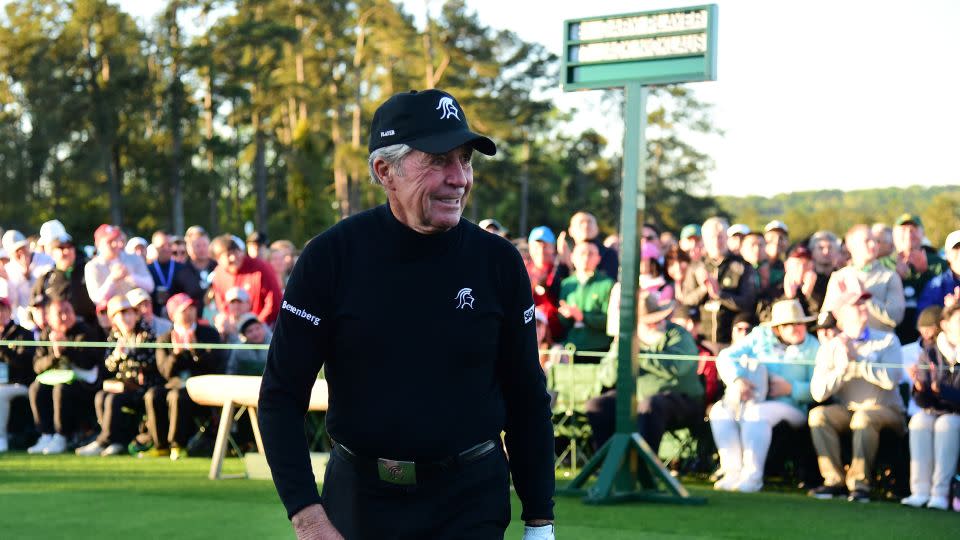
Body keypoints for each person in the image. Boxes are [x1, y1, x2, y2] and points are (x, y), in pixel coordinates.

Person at [258, 89, 555, 540]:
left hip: (469, 503)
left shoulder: (498, 262)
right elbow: (281, 396)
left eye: (466, 160)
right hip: (358, 503)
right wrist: (308, 516)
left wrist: (540, 520)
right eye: (437, 160)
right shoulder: (330, 259)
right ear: (384, 171)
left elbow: (527, 396)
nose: (459, 178)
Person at [807, 285, 906, 503]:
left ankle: (860, 484)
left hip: (888, 411)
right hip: (849, 410)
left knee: (864, 418)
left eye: (863, 303)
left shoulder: (888, 340)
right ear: (841, 316)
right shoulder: (831, 347)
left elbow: (892, 379)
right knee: (819, 416)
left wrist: (858, 361)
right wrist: (841, 370)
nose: (863, 307)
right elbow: (818, 393)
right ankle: (834, 481)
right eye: (856, 304)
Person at [710, 299, 819, 493]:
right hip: (752, 399)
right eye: (788, 325)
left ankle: (752, 478)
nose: (796, 328)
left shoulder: (813, 346)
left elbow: (819, 389)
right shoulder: (760, 336)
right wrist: (737, 380)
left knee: (756, 414)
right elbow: (726, 356)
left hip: (793, 406)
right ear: (777, 328)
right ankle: (732, 472)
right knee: (720, 411)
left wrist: (791, 388)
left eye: (800, 323)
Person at [586, 292, 703, 455]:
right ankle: (609, 462)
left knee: (650, 405)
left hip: (682, 400)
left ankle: (645, 465)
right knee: (598, 405)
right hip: (637, 398)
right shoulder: (627, 338)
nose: (656, 324)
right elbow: (607, 377)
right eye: (649, 322)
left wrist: (638, 354)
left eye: (659, 318)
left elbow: (676, 367)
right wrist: (621, 349)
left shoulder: (678, 334)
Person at [75, 295, 161, 457]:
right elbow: (108, 365)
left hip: (143, 387)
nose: (126, 318)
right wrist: (117, 355)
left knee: (113, 399)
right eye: (121, 314)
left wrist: (129, 354)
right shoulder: (115, 337)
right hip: (122, 385)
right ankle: (114, 440)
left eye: (129, 313)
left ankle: (105, 441)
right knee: (101, 396)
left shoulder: (146, 333)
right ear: (114, 319)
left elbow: (150, 361)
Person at [146, 293, 223, 459]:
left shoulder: (209, 333)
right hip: (174, 384)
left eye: (191, 308)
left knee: (177, 397)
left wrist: (196, 349)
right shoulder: (164, 338)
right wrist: (176, 354)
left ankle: (177, 444)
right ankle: (160, 445)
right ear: (173, 315)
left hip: (201, 389)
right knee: (152, 395)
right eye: (184, 310)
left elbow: (214, 364)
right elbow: (165, 372)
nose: (189, 312)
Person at [901, 303, 960, 510]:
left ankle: (940, 493)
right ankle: (920, 491)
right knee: (919, 420)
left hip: (955, 414)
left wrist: (941, 391)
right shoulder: (930, 352)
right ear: (945, 324)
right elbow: (922, 402)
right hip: (934, 411)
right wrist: (919, 387)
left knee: (947, 424)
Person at [27, 297, 103, 455]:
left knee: (61, 389)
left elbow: (89, 362)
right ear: (49, 317)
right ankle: (46, 435)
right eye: (59, 313)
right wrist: (54, 356)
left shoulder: (85, 331)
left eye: (68, 311)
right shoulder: (46, 334)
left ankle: (62, 436)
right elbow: (37, 365)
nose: (64, 317)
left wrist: (66, 349)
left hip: (84, 384)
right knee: (36, 388)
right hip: (54, 379)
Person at [681, 217, 757, 352]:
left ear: (727, 238)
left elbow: (748, 302)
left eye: (721, 236)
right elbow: (687, 299)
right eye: (712, 237)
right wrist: (704, 289)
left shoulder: (742, 266)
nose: (717, 241)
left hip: (733, 344)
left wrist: (720, 294)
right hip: (702, 343)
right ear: (704, 240)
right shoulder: (696, 266)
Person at [824, 224, 904, 334]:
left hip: (882, 345)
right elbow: (827, 321)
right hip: (849, 346)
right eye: (866, 241)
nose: (873, 245)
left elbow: (896, 317)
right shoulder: (839, 277)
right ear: (851, 246)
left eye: (875, 240)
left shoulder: (890, 277)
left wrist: (866, 297)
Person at [880, 214, 947, 345]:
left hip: (927, 330)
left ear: (922, 234)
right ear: (894, 235)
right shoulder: (884, 264)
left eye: (913, 230)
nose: (909, 234)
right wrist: (895, 277)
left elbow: (944, 289)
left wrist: (926, 272)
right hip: (892, 329)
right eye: (903, 230)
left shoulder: (937, 263)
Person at [210, 234, 282, 326]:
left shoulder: (261, 268)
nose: (233, 258)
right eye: (228, 255)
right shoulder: (219, 274)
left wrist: (255, 326)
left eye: (236, 252)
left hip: (263, 328)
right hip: (234, 330)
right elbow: (222, 305)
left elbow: (274, 302)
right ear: (218, 259)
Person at [558, 241, 615, 357]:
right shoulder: (567, 284)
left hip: (599, 348)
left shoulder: (607, 284)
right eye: (582, 253)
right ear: (572, 257)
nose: (585, 258)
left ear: (598, 258)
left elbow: (610, 320)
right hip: (572, 347)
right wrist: (566, 315)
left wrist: (582, 316)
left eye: (590, 254)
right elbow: (562, 321)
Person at [85, 224, 155, 307]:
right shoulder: (92, 266)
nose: (115, 244)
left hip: (137, 310)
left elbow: (150, 287)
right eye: (110, 241)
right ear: (98, 244)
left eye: (116, 239)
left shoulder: (134, 258)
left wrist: (130, 276)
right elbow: (97, 299)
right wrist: (113, 279)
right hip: (111, 314)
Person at [0, 296, 34, 452]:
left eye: (2, 309)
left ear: (9, 311)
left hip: (18, 384)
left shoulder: (23, 334)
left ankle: (1, 439)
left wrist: (3, 349)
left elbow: (23, 363)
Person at [525, 226, 569, 343]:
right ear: (529, 248)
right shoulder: (523, 270)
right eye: (536, 246)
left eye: (545, 246)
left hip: (558, 337)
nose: (541, 250)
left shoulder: (561, 270)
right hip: (531, 337)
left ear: (553, 248)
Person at [147, 230, 201, 319]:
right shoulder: (149, 269)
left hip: (180, 315)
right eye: (162, 246)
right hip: (155, 315)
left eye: (169, 245)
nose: (166, 248)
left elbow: (192, 292)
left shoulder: (182, 268)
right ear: (155, 247)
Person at [558, 212, 619, 281]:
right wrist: (563, 264)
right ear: (570, 231)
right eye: (581, 222)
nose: (586, 226)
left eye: (589, 222)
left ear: (597, 229)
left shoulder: (609, 254)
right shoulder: (565, 255)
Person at [917, 230, 960, 314]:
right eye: (956, 248)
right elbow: (923, 321)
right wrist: (949, 311)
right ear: (947, 255)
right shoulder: (936, 285)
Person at [182, 225, 217, 311]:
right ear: (188, 247)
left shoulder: (218, 267)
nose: (202, 249)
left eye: (204, 245)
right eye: (197, 246)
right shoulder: (181, 271)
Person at [762, 220, 788, 290]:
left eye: (781, 238)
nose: (777, 241)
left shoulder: (785, 268)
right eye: (772, 237)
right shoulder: (752, 264)